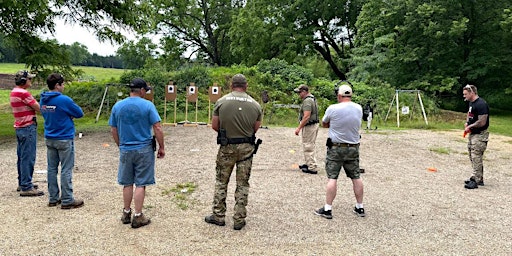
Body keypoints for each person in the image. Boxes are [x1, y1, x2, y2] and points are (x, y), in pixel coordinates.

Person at [204, 74, 262, 230]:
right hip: (246, 149)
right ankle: (239, 219)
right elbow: (255, 128)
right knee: (243, 184)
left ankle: (218, 215)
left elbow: (215, 126)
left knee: (221, 182)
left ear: (231, 85)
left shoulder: (221, 101)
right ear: (246, 86)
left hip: (227, 146)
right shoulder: (256, 105)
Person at [109, 78, 165, 228]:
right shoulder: (148, 105)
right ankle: (138, 215)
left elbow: (113, 129)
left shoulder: (118, 106)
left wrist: (120, 145)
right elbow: (157, 128)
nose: (146, 93)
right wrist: (161, 147)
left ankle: (126, 212)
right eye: (145, 90)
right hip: (144, 148)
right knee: (141, 183)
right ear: (141, 90)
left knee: (127, 182)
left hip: (126, 148)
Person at [314, 84, 365, 219]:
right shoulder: (358, 108)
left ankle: (328, 208)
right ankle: (360, 207)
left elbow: (325, 123)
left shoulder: (333, 108)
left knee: (332, 177)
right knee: (356, 177)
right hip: (353, 146)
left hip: (336, 147)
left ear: (339, 95)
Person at [40, 73, 84, 209]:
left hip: (49, 137)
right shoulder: (64, 100)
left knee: (51, 168)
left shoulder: (43, 99)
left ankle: (53, 198)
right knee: (66, 169)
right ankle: (67, 199)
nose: (64, 86)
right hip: (64, 137)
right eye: (62, 84)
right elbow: (79, 113)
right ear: (57, 85)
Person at [10, 70, 44, 197]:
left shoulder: (14, 91)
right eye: (29, 79)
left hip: (20, 127)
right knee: (28, 157)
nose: (31, 81)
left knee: (22, 157)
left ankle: (23, 181)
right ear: (23, 81)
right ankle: (26, 186)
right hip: (28, 127)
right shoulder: (24, 93)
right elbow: (39, 108)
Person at [462, 84, 489, 189]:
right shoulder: (471, 103)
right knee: (471, 155)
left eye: (465, 94)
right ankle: (477, 177)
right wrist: (467, 123)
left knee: (476, 156)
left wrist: (470, 126)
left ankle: (476, 181)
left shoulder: (481, 104)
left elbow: (482, 121)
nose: (464, 96)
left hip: (480, 135)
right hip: (473, 134)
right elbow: (470, 114)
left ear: (472, 93)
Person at [293, 84, 319, 174]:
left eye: (299, 92)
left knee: (308, 146)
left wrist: (299, 128)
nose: (299, 95)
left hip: (309, 126)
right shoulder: (312, 99)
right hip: (312, 125)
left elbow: (306, 116)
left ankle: (312, 167)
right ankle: (309, 163)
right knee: (310, 144)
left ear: (304, 92)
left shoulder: (307, 101)